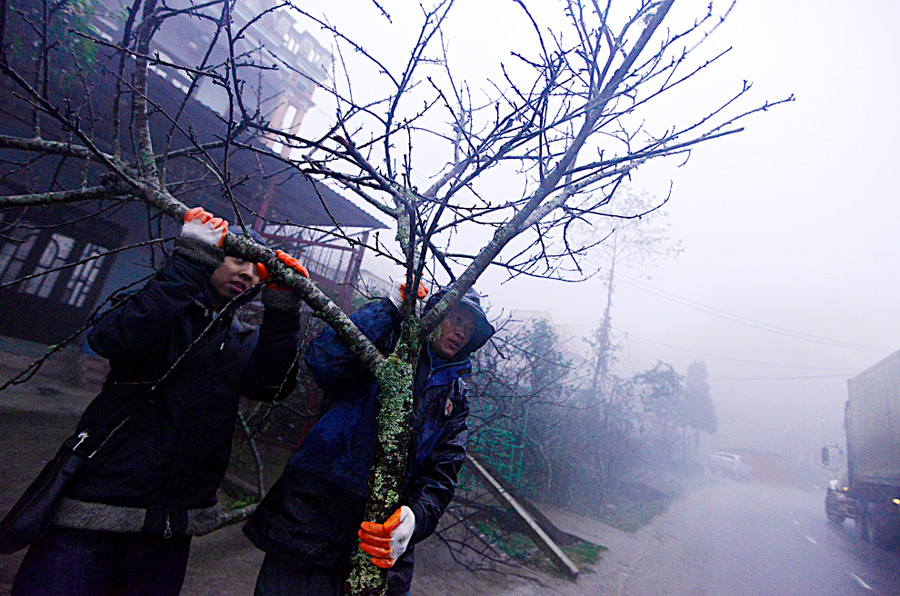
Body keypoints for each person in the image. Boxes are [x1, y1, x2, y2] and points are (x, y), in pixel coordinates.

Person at [11, 207, 309, 596]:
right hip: (94, 511)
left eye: (258, 271)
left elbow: (272, 386)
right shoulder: (168, 310)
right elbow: (114, 339)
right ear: (213, 257)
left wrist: (284, 312)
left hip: (172, 525)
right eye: (238, 260)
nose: (248, 274)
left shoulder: (238, 338)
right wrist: (189, 261)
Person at [244, 282, 495, 596]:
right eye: (456, 319)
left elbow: (442, 473)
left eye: (469, 329)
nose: (461, 332)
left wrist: (415, 519)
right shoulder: (389, 340)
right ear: (434, 313)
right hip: (313, 515)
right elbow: (324, 361)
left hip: (381, 539)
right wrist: (388, 307)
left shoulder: (455, 396)